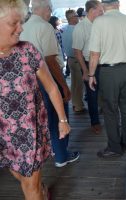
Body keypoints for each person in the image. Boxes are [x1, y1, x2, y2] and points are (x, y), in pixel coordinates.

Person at [0, 0, 70, 199]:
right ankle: (41, 189)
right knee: (19, 174)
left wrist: (63, 120)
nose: (21, 28)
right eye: (14, 23)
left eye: (21, 22)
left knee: (30, 187)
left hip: (29, 132)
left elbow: (51, 87)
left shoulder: (27, 50)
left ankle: (38, 191)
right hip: (3, 133)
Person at [20, 0, 79, 168]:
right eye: (50, 9)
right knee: (58, 116)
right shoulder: (44, 27)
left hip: (29, 79)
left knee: (43, 118)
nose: (51, 13)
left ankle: (52, 150)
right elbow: (50, 60)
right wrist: (64, 86)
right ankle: (62, 155)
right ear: (45, 9)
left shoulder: (24, 26)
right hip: (48, 77)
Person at [88, 0, 126, 157]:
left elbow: (94, 54)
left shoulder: (99, 22)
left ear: (103, 5)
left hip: (109, 72)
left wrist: (91, 74)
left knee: (110, 110)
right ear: (118, 3)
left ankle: (114, 147)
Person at [72, 0, 103, 134]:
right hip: (89, 64)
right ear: (92, 11)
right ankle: (95, 122)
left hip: (103, 63)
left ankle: (107, 117)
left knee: (105, 93)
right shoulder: (80, 27)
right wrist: (85, 70)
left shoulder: (101, 24)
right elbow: (77, 52)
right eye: (100, 10)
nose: (102, 12)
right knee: (92, 95)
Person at [62, 9, 85, 113]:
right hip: (77, 60)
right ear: (72, 18)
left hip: (70, 60)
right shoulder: (76, 30)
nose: (78, 17)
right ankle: (79, 106)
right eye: (76, 15)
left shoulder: (65, 30)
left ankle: (76, 104)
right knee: (79, 85)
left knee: (74, 83)